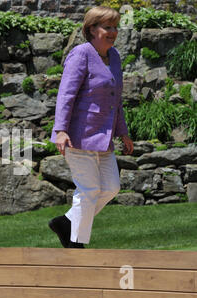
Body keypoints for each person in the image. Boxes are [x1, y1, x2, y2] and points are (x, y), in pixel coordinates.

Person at [48, 6, 134, 249]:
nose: (113, 32)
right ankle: (76, 242)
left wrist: (122, 131)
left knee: (111, 187)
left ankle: (67, 223)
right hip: (78, 135)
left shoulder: (114, 56)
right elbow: (66, 95)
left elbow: (116, 100)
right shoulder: (81, 54)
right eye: (107, 27)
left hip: (104, 137)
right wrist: (60, 130)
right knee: (90, 188)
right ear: (92, 29)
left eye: (115, 27)